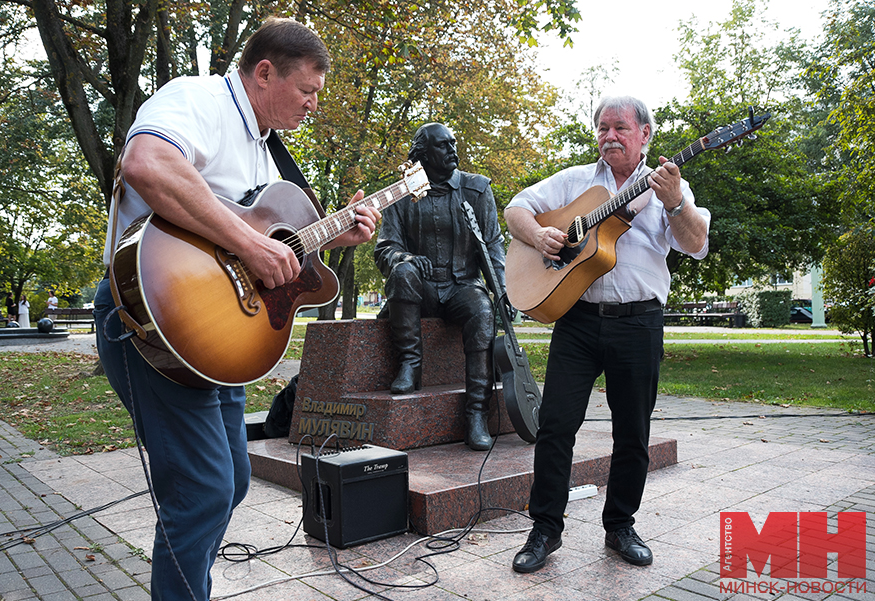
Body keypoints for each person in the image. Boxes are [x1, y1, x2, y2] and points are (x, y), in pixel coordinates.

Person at [93, 17, 380, 601]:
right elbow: (146, 165)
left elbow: (277, 252)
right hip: (153, 320)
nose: (313, 106)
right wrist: (251, 244)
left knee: (233, 481)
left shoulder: (265, 157)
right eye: (307, 91)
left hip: (219, 337)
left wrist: (334, 236)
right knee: (201, 488)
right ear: (265, 72)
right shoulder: (197, 98)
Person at [505, 96, 710, 572]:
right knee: (555, 426)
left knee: (633, 432)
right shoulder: (576, 181)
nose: (609, 136)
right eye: (603, 127)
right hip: (577, 321)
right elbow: (516, 208)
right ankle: (544, 530)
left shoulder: (667, 187)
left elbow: (697, 244)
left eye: (620, 127)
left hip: (638, 322)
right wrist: (539, 236)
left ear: (645, 136)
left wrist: (675, 201)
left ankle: (620, 525)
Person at [374, 123, 506, 451]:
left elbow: (492, 245)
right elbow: (384, 248)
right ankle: (410, 364)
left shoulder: (477, 189)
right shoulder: (401, 195)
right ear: (424, 154)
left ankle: (476, 414)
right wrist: (405, 257)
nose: (452, 150)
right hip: (423, 291)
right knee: (403, 272)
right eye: (443, 146)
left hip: (462, 287)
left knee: (482, 309)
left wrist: (502, 291)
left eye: (453, 143)